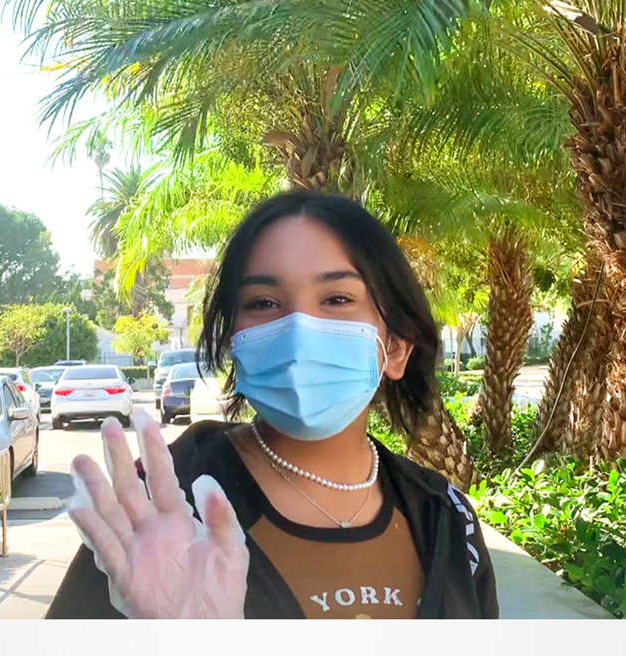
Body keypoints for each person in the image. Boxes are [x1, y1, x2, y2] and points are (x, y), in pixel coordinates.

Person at [47, 190, 498, 619]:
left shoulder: (446, 518)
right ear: (234, 341)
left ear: (396, 348)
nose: (298, 331)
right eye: (263, 302)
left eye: (337, 299)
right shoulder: (159, 509)